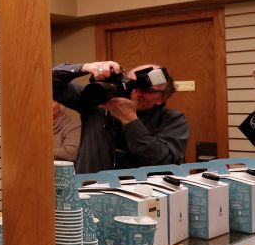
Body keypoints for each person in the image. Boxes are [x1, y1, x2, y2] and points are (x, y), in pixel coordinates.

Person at [52, 60, 188, 174]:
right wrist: (85, 67)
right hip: (90, 193)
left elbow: (165, 163)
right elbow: (48, 83)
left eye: (146, 89)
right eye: (131, 84)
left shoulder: (172, 119)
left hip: (141, 198)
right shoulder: (98, 104)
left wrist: (130, 120)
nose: (136, 92)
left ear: (161, 97)